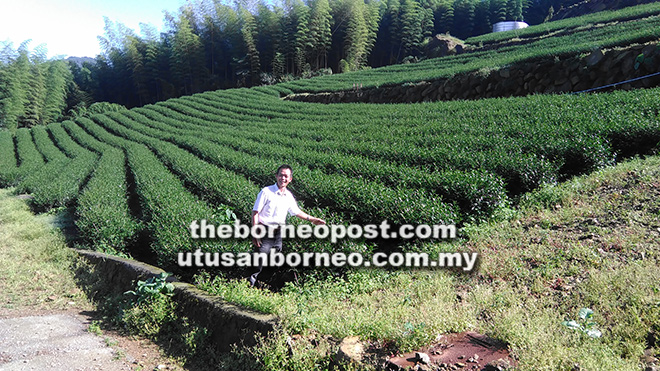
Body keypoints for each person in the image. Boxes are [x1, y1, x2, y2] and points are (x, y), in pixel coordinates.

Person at [249, 164, 326, 287]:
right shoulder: (266, 191)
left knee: (274, 261)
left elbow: (296, 211)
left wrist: (312, 219)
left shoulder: (288, 195)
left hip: (278, 233)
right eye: (281, 175)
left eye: (286, 176)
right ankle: (249, 285)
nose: (283, 178)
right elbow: (255, 213)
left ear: (290, 179)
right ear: (276, 176)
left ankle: (261, 285)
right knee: (258, 260)